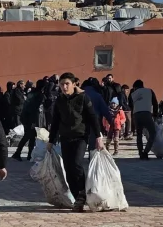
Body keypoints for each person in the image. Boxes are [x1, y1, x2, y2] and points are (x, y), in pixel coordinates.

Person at [48, 73, 103, 212]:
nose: (64, 87)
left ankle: (82, 193)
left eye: (67, 84)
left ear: (74, 84)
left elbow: (93, 117)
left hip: (80, 136)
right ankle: (78, 197)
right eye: (62, 84)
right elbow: (55, 122)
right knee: (68, 168)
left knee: (76, 164)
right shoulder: (59, 100)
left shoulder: (83, 98)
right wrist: (51, 140)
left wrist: (98, 136)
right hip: (65, 137)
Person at [129, 79, 159, 159]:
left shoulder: (133, 93)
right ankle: (146, 152)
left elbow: (130, 105)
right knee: (152, 133)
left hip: (136, 115)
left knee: (139, 134)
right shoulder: (149, 91)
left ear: (135, 87)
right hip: (147, 114)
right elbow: (155, 103)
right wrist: (155, 114)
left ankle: (140, 152)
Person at [13, 86, 43, 161]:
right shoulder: (38, 95)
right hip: (29, 119)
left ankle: (29, 154)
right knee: (27, 136)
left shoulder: (32, 93)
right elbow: (33, 110)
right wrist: (33, 122)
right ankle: (18, 153)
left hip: (25, 117)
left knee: (31, 137)